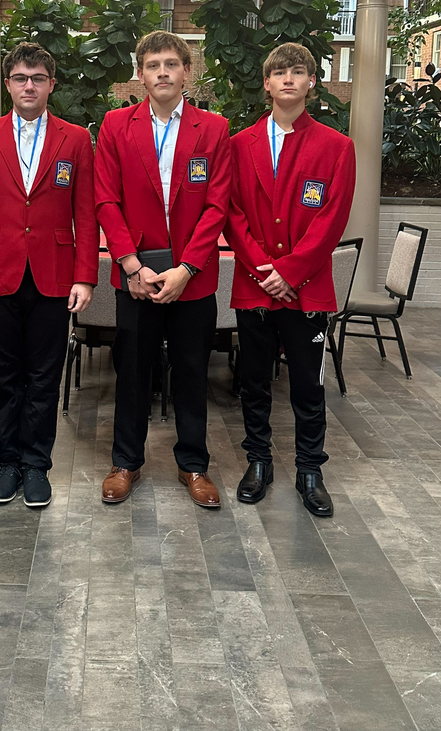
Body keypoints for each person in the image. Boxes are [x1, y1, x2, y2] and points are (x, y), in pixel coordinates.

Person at [0, 42, 99, 508]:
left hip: (55, 276)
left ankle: (37, 464)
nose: (29, 85)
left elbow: (84, 211)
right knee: (5, 375)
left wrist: (85, 276)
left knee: (44, 376)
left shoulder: (74, 139)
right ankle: (9, 461)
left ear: (51, 84)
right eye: (20, 77)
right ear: (8, 84)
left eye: (38, 77)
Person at [94, 31, 231, 507]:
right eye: (153, 65)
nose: (163, 73)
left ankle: (194, 465)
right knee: (132, 373)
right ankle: (125, 462)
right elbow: (105, 198)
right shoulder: (114, 125)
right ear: (141, 74)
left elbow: (217, 206)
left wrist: (187, 269)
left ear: (186, 72)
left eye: (172, 64)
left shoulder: (213, 129)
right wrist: (130, 264)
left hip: (191, 280)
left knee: (192, 373)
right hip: (136, 278)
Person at [224, 42, 356, 518]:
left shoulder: (336, 147)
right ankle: (258, 462)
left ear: (311, 83)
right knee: (254, 382)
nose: (287, 80)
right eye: (278, 72)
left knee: (307, 385)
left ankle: (309, 469)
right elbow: (231, 214)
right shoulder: (239, 145)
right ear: (266, 83)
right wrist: (267, 270)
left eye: (297, 72)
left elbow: (332, 219)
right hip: (255, 285)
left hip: (308, 290)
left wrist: (291, 272)